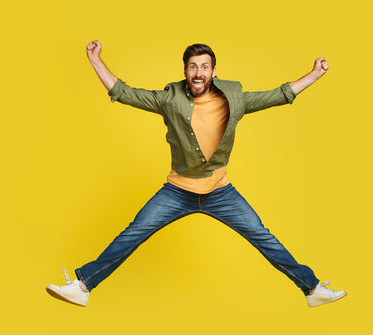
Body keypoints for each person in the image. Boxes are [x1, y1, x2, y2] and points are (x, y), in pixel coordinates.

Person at [46, 41, 347, 308]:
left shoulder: (234, 98)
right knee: (133, 233)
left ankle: (312, 289)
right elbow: (124, 93)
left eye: (204, 66)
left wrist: (315, 74)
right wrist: (95, 60)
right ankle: (82, 286)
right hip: (177, 192)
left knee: (262, 236)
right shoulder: (169, 99)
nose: (198, 72)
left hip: (220, 192)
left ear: (214, 71)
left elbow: (277, 95)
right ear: (186, 72)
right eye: (193, 67)